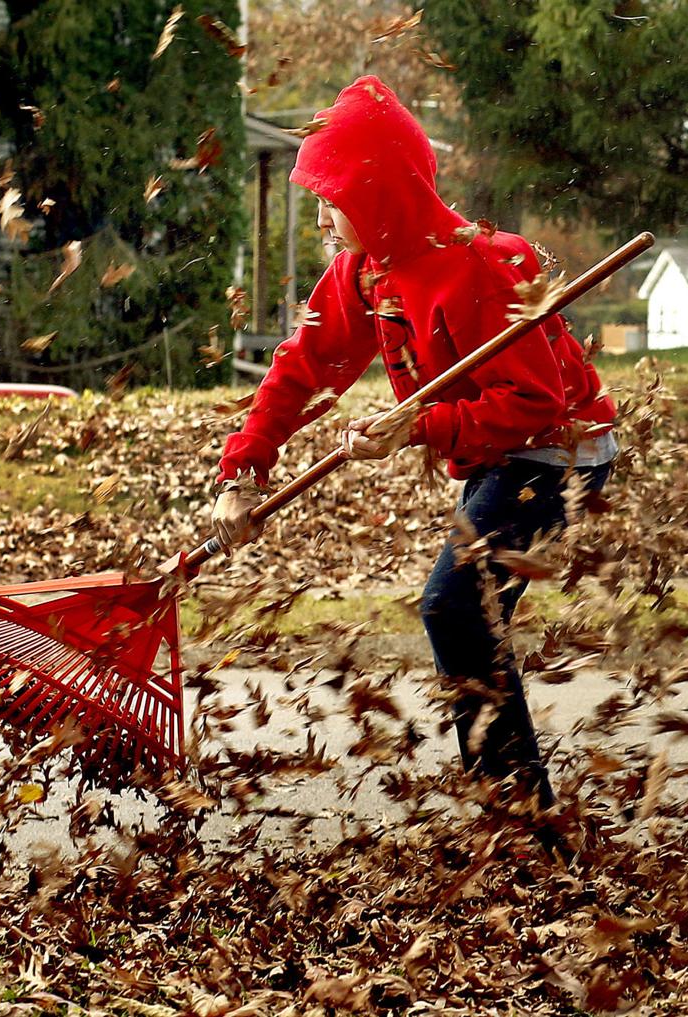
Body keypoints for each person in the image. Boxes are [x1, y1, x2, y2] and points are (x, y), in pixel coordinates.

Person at [212, 76, 617, 811]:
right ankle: (513, 796)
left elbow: (536, 401)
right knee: (468, 612)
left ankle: (521, 812)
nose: (323, 216)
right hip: (496, 455)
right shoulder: (366, 270)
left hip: (560, 453)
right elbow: (304, 366)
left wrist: (418, 427)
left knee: (455, 605)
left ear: (377, 196)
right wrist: (244, 467)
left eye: (331, 199)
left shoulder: (485, 266)